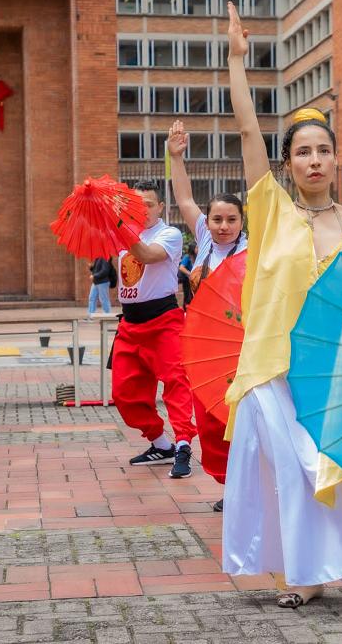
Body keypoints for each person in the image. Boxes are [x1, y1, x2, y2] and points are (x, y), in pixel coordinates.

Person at [221, 2, 342, 640]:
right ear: (288, 163)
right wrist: (237, 63)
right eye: (302, 152)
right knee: (294, 477)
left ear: (336, 158)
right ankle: (307, 574)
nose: (313, 160)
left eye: (323, 150)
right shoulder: (270, 212)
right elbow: (247, 133)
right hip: (276, 371)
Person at [168, 119, 248, 512]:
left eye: (231, 219)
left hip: (242, 351)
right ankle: (231, 486)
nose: (223, 226)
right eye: (217, 219)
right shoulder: (202, 240)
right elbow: (184, 199)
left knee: (242, 422)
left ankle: (250, 489)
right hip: (203, 351)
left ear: (242, 221)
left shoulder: (253, 251)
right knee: (210, 421)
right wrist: (176, 158)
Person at [110, 179, 197, 479]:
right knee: (123, 392)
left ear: (160, 207)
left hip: (163, 321)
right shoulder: (123, 234)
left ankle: (183, 444)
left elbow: (147, 255)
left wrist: (118, 226)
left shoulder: (168, 234)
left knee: (176, 382)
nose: (143, 210)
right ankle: (161, 444)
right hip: (130, 324)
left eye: (148, 204)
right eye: (136, 205)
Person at [178, 242, 197, 308]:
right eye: (197, 247)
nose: (198, 249)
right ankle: (186, 310)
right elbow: (181, 267)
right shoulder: (187, 257)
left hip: (194, 279)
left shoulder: (198, 256)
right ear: (192, 249)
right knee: (188, 296)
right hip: (187, 280)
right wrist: (191, 274)